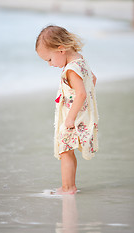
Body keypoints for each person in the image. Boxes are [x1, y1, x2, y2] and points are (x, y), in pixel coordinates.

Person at [35, 25, 99, 195]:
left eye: (49, 59)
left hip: (74, 118)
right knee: (68, 151)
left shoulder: (71, 69)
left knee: (65, 151)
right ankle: (70, 186)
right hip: (81, 115)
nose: (50, 65)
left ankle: (68, 187)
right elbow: (93, 79)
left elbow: (81, 94)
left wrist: (70, 119)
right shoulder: (80, 61)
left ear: (60, 49)